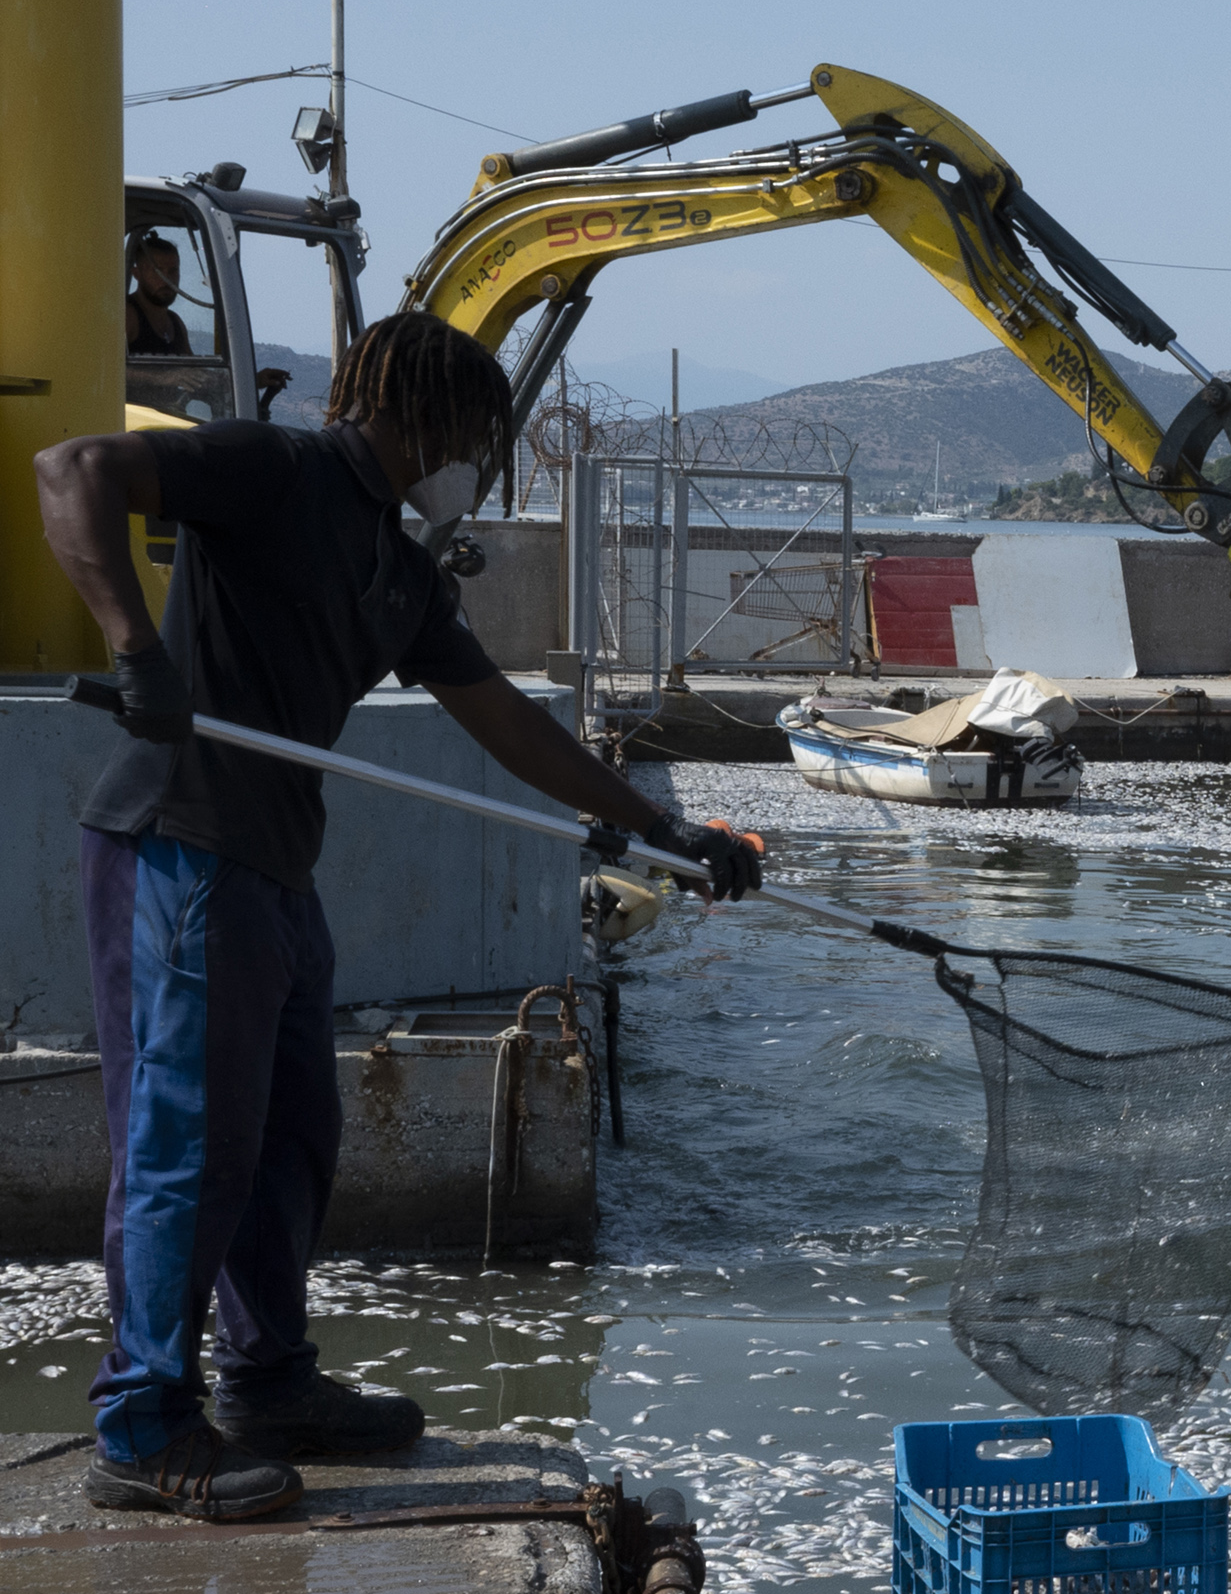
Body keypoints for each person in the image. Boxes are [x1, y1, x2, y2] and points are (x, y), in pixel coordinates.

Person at [37, 311, 767, 1521]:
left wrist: (663, 829)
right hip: (181, 841)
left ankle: (267, 1383)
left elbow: (510, 724)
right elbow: (75, 470)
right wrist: (134, 650)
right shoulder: (276, 469)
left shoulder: (400, 565)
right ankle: (142, 1422)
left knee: (289, 1140)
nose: (476, 456)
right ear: (412, 409)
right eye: (476, 430)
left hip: (273, 864)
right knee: (190, 1142)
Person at [126, 232, 194, 355]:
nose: (166, 280)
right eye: (157, 272)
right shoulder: (127, 317)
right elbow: (107, 366)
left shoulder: (176, 323)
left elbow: (193, 368)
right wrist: (167, 375)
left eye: (173, 271)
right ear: (137, 274)